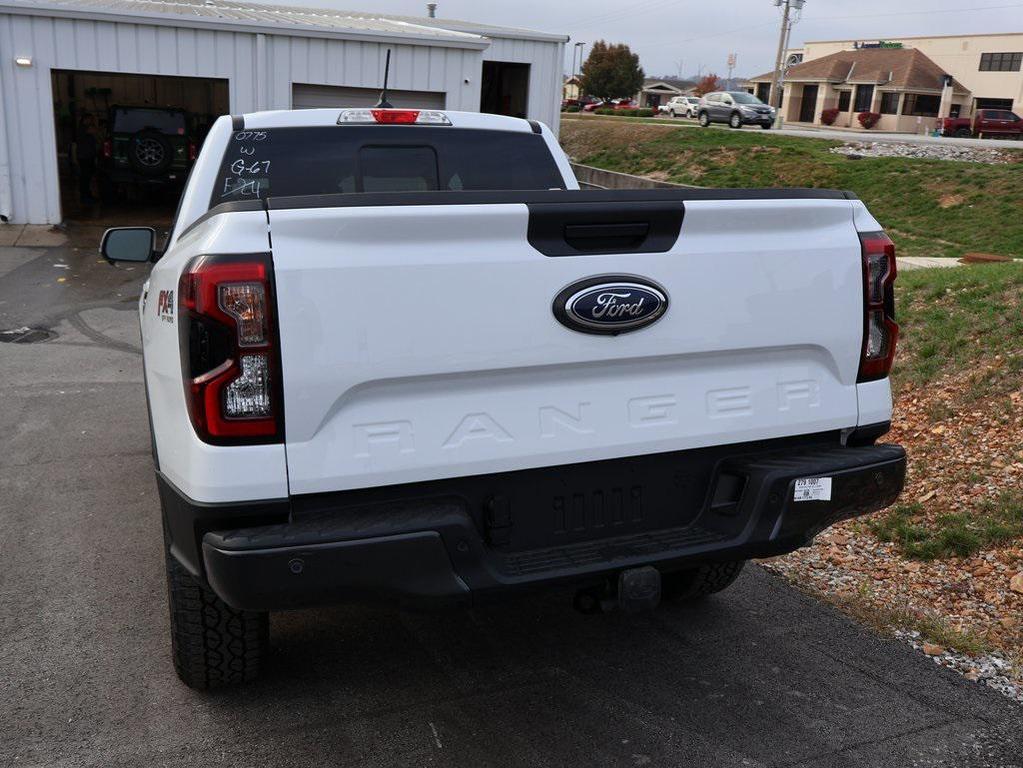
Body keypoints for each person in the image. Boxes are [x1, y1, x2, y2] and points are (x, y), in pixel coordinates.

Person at [72, 114, 98, 205]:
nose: (91, 121)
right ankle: (84, 196)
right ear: (85, 120)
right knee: (85, 177)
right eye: (90, 119)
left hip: (88, 156)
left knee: (88, 176)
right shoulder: (83, 129)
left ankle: (87, 194)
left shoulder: (83, 129)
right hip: (84, 157)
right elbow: (94, 130)